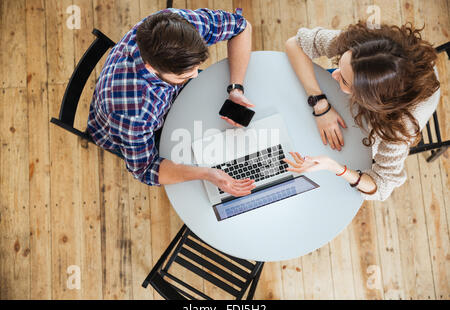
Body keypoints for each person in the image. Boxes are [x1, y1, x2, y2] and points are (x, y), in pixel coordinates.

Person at [87, 8, 256, 197]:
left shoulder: (176, 27)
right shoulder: (130, 112)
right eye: (185, 74)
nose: (195, 75)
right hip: (142, 135)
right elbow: (146, 169)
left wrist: (235, 88)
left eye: (197, 67)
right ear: (151, 68)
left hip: (171, 101)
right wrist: (208, 173)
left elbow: (241, 27)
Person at [283, 22, 440, 201]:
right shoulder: (365, 50)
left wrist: (336, 167)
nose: (333, 74)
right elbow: (295, 43)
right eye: (341, 63)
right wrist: (320, 103)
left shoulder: (398, 127)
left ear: (369, 101)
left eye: (344, 80)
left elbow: (381, 185)